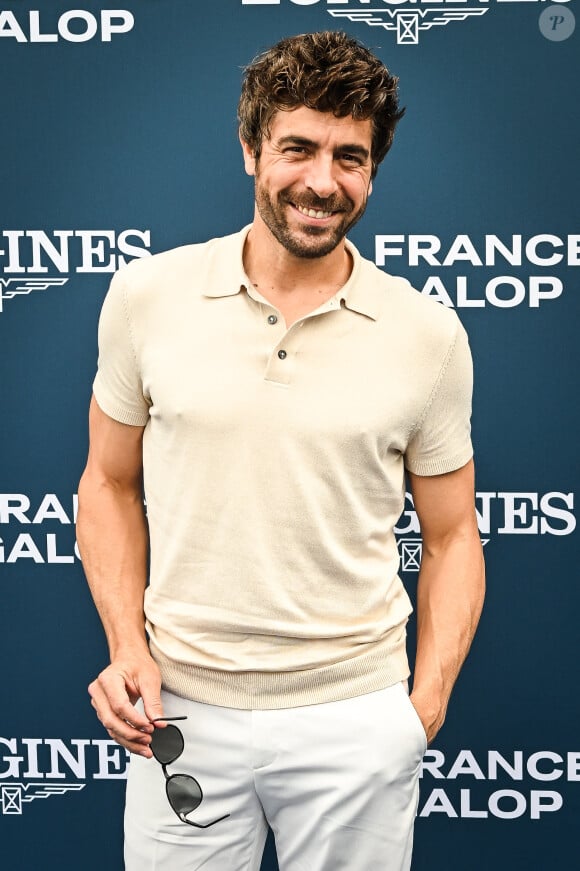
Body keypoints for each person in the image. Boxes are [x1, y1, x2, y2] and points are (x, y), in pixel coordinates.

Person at [77, 30, 485, 871]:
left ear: (373, 169)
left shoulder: (428, 333)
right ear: (250, 148)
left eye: (350, 157)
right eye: (297, 148)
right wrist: (126, 646)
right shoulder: (147, 297)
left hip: (356, 721)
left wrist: (423, 704)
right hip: (178, 714)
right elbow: (108, 484)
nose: (322, 182)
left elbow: (452, 536)